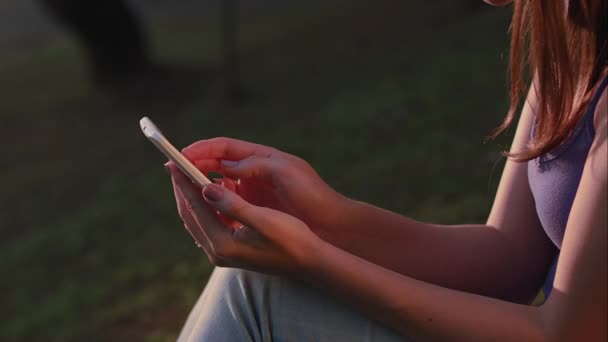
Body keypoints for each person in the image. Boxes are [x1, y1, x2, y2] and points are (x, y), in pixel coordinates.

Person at [164, 0, 607, 340]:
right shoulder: (574, 44)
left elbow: (565, 335)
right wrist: (324, 217)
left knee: (257, 297)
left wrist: (314, 260)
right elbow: (508, 259)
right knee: (252, 284)